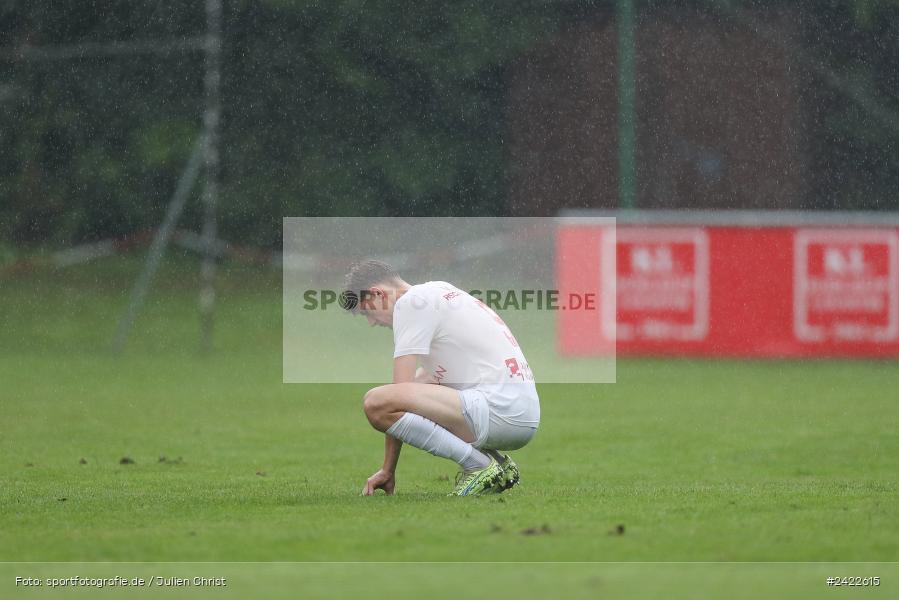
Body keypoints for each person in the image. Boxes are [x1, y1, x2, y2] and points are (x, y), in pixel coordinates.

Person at [342, 259, 540, 497]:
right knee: (418, 385)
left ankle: (478, 465)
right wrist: (388, 469)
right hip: (522, 414)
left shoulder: (410, 304)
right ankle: (498, 464)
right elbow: (416, 387)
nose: (371, 322)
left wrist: (388, 468)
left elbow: (398, 393)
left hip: (498, 410)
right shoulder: (440, 290)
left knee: (375, 402)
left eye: (367, 312)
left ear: (378, 294)